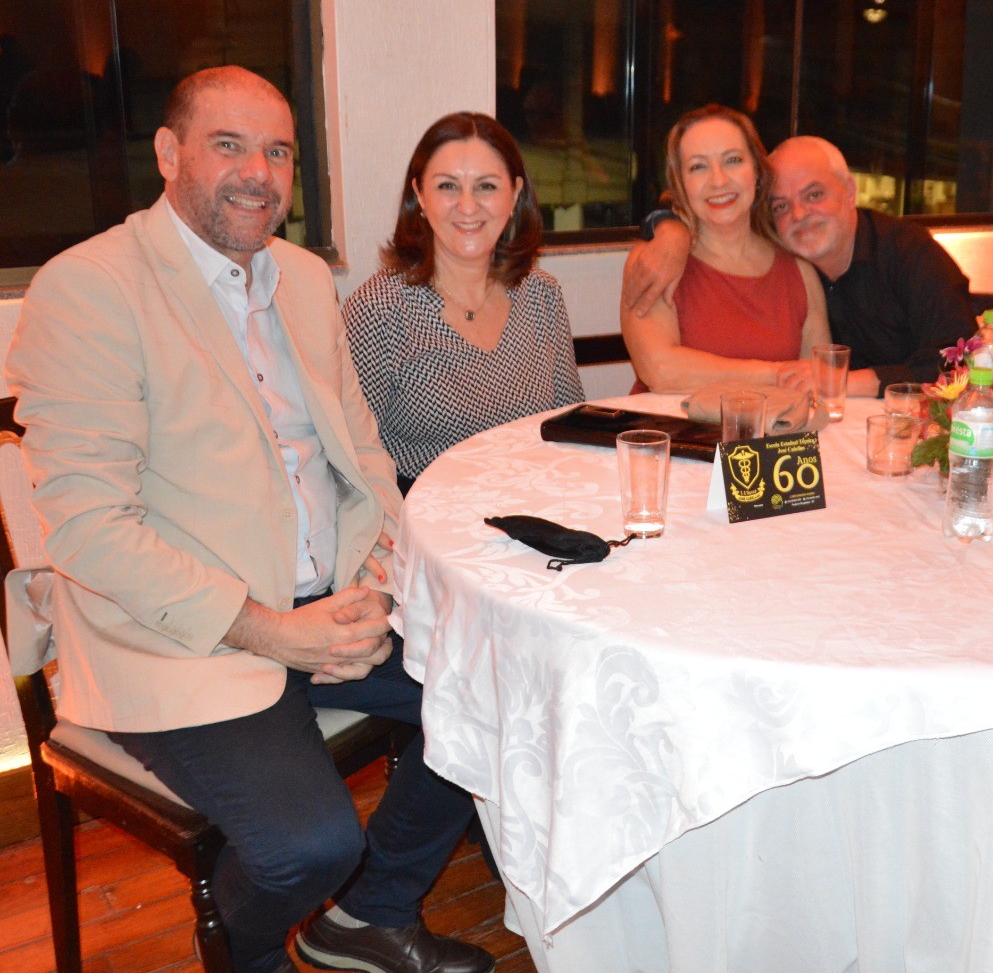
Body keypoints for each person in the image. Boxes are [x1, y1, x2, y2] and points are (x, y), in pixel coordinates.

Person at [5, 67, 491, 973]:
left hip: (331, 605)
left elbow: (366, 455)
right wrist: (278, 632)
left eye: (278, 151)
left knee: (501, 703)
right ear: (168, 153)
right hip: (187, 634)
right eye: (229, 144)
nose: (259, 172)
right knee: (308, 846)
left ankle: (366, 918)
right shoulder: (89, 288)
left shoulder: (305, 279)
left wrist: (375, 584)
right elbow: (88, 527)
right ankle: (246, 953)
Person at [622, 134, 975, 397]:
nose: (800, 215)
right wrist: (667, 226)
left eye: (814, 195)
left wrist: (842, 381)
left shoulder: (908, 252)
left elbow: (960, 362)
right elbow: (699, 202)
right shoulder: (793, 265)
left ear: (850, 191)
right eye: (781, 206)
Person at [343, 111, 583, 494]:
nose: (468, 207)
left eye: (486, 186)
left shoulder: (542, 295)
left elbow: (569, 429)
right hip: (424, 519)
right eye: (448, 187)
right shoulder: (380, 309)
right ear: (420, 195)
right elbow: (352, 456)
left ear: (515, 194)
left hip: (534, 509)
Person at [621, 104, 830, 393]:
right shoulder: (656, 261)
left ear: (757, 172)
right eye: (698, 167)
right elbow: (659, 370)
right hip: (674, 434)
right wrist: (777, 374)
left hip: (768, 436)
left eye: (733, 160)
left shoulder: (800, 273)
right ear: (680, 184)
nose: (718, 180)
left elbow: (817, 382)